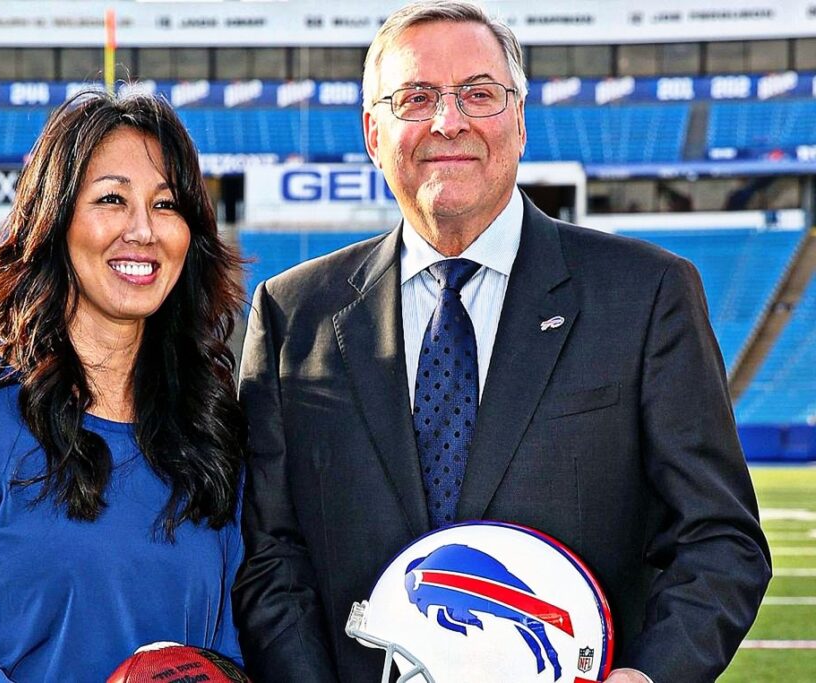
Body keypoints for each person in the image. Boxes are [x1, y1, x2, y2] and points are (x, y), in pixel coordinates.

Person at [232, 2, 771, 682]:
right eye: (415, 97)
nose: (447, 121)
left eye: (479, 94)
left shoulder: (646, 295)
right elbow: (270, 554)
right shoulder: (294, 312)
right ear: (373, 132)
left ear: (519, 121)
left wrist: (650, 674)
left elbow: (719, 538)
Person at [0, 91, 247, 681]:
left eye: (166, 205)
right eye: (111, 199)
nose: (142, 230)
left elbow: (231, 644)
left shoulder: (213, 422)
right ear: (56, 221)